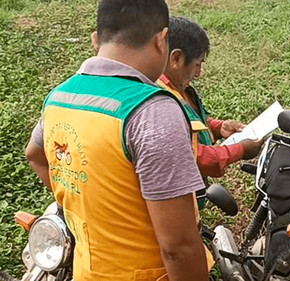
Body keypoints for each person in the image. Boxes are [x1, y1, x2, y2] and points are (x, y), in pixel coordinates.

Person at [24, 1, 208, 280]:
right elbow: (178, 248)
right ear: (162, 40)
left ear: (95, 40)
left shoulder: (59, 98)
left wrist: (87, 204)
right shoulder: (152, 111)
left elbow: (35, 155)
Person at [157, 17, 264, 178]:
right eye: (197, 64)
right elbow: (191, 157)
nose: (199, 73)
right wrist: (240, 150)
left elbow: (191, 123)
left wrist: (218, 128)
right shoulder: (160, 102)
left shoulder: (178, 88)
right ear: (176, 58)